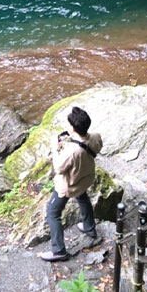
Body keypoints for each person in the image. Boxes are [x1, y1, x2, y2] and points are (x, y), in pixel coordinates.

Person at [39, 106, 103, 262]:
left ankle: (59, 251)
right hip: (84, 179)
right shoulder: (95, 136)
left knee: (53, 213)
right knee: (83, 198)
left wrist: (56, 148)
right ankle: (89, 228)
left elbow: (59, 168)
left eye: (70, 125)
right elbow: (95, 146)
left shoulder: (73, 151)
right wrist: (69, 142)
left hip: (68, 185)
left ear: (74, 129)